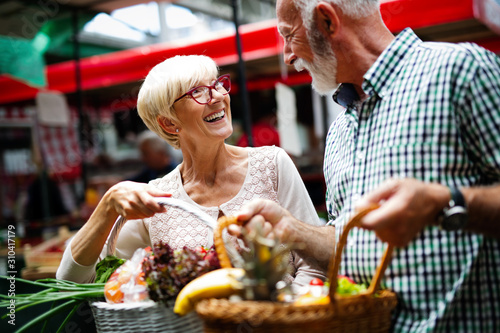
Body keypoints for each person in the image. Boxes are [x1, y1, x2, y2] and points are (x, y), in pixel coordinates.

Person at [233, 0, 500, 332]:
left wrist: (446, 203)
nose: (288, 55)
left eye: (289, 35)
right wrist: (294, 231)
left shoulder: (460, 70)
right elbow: (351, 246)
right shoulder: (340, 130)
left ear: (327, 20)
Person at [56, 55, 325, 288]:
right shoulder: (158, 200)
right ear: (170, 123)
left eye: (218, 84)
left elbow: (317, 262)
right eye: (198, 91)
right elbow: (71, 281)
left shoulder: (271, 165)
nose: (218, 96)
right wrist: (107, 207)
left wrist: (278, 316)